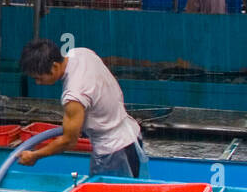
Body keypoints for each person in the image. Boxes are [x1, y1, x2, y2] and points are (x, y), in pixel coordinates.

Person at [16, 38, 148, 178]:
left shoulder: (74, 95)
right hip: (131, 136)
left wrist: (35, 155)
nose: (38, 83)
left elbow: (69, 141)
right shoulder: (80, 53)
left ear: (55, 66)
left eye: (39, 78)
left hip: (112, 152)